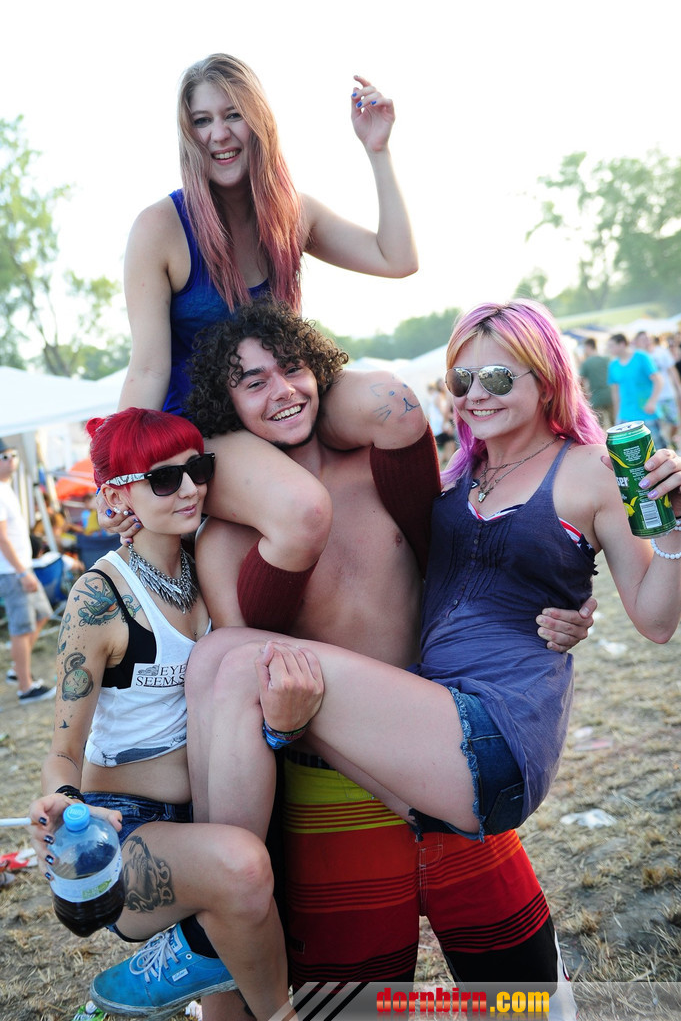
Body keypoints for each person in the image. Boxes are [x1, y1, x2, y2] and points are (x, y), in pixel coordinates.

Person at [101, 302, 595, 1020]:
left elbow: (474, 561)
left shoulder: (382, 469)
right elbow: (242, 696)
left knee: (527, 998)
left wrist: (563, 608)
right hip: (327, 799)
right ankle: (213, 929)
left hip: (432, 749)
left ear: (319, 373)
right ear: (226, 405)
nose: (281, 392)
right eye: (252, 382)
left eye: (291, 368)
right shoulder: (226, 538)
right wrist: (280, 725)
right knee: (352, 1008)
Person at [184, 299, 681, 875]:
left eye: (497, 378)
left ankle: (224, 887)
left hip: (494, 729)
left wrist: (675, 526)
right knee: (216, 656)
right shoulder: (460, 476)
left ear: (547, 380)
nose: (476, 395)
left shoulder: (595, 469)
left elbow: (656, 622)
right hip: (431, 736)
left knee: (235, 660)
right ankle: (218, 878)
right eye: (461, 380)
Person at [27, 408, 319, 1021]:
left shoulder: (206, 561)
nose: (189, 488)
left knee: (228, 1000)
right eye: (163, 479)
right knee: (241, 870)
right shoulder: (100, 597)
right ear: (116, 496)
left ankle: (202, 957)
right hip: (128, 831)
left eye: (198, 469)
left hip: (214, 810)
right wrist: (62, 800)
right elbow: (62, 749)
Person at [117, 52, 416, 416]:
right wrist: (120, 449)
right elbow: (147, 370)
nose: (219, 134)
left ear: (259, 120)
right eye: (202, 121)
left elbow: (397, 260)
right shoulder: (159, 228)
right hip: (206, 424)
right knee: (277, 458)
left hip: (283, 405)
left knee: (396, 403)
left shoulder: (294, 214)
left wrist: (378, 150)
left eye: (233, 115)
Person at [0, 438, 56, 703]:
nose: (11, 460)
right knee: (22, 627)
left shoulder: (6, 488)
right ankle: (25, 688)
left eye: (12, 455)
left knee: (43, 614)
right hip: (13, 572)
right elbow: (2, 539)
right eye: (4, 457)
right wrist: (22, 572)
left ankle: (17, 669)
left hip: (21, 568)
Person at [607, 332, 664, 448]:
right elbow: (615, 392)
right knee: (633, 451)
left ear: (622, 344)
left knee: (657, 448)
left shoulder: (641, 357)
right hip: (625, 416)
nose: (609, 349)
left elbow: (658, 381)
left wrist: (652, 402)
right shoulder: (613, 365)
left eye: (612, 346)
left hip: (646, 412)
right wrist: (617, 414)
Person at [634, 332, 681, 448]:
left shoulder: (661, 352)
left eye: (647, 338)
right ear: (638, 342)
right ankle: (666, 445)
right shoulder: (638, 357)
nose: (646, 341)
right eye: (643, 339)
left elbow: (672, 370)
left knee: (675, 421)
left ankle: (670, 439)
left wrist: (678, 387)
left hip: (667, 394)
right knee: (659, 425)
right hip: (650, 398)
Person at [578, 337, 614, 430]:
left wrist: (585, 394)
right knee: (615, 424)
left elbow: (580, 380)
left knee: (599, 428)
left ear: (589, 346)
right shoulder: (607, 359)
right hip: (610, 395)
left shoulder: (586, 363)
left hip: (596, 397)